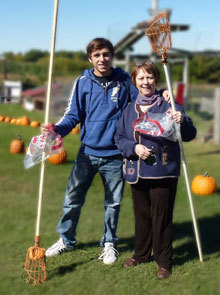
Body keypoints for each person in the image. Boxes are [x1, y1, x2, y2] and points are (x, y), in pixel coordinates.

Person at [42, 38, 170, 265]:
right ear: (90, 58)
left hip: (115, 155)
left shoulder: (123, 81)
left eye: (106, 54)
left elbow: (144, 96)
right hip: (87, 153)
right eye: (97, 55)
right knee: (72, 199)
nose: (102, 59)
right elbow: (73, 116)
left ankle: (109, 243)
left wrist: (163, 94)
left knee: (113, 203)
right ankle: (66, 239)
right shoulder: (83, 82)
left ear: (112, 56)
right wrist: (56, 130)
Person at [114, 60, 197, 277]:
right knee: (141, 216)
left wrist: (183, 121)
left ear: (156, 79)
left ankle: (164, 261)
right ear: (135, 81)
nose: (145, 82)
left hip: (164, 169)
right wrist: (134, 147)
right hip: (136, 170)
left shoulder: (169, 105)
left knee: (161, 217)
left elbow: (189, 135)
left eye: (149, 77)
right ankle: (141, 254)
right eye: (141, 78)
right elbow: (120, 138)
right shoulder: (128, 110)